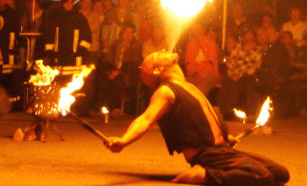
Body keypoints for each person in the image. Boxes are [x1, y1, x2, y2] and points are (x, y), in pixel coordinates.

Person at [105, 51, 289, 185]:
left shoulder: (187, 86)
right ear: (157, 69)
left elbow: (202, 120)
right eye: (156, 55)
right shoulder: (166, 91)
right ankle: (205, 175)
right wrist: (123, 140)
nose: (162, 50)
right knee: (263, 177)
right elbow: (146, 119)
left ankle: (218, 171)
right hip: (209, 156)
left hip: (223, 150)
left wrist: (225, 137)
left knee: (280, 174)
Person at [42, 0, 92, 65]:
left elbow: (87, 36)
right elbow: (50, 37)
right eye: (66, 2)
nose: (69, 5)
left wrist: (81, 50)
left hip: (75, 57)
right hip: (58, 56)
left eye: (71, 2)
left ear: (73, 3)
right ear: (63, 3)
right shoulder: (55, 18)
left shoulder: (80, 18)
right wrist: (49, 53)